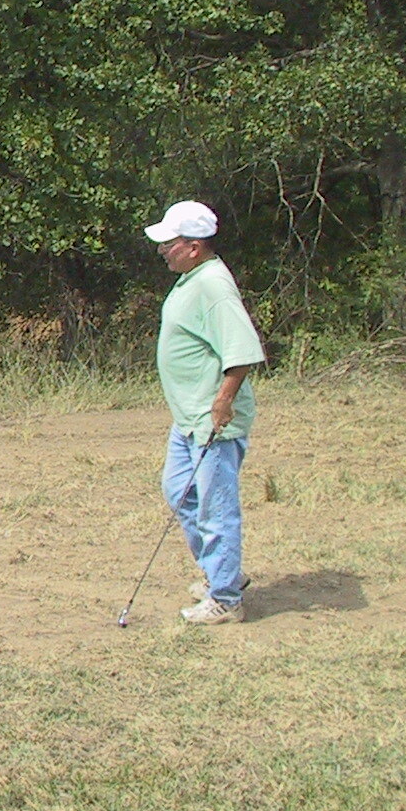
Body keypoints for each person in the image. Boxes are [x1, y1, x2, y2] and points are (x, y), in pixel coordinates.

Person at [145, 200, 266, 624]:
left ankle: (226, 599)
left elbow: (242, 351)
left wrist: (223, 400)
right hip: (188, 418)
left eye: (169, 244)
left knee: (216, 508)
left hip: (211, 421)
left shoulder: (214, 285)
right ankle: (222, 572)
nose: (162, 251)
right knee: (178, 491)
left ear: (194, 247)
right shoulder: (192, 278)